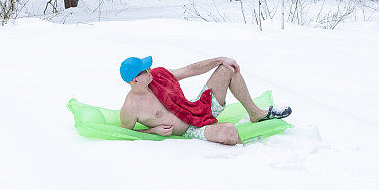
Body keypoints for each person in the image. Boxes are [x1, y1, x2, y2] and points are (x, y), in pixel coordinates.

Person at [118, 56, 292, 145]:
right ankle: (247, 161)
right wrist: (153, 131)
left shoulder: (158, 75)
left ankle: (255, 113)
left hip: (196, 110)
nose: (150, 70)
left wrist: (220, 59)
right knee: (229, 132)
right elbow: (125, 134)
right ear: (135, 80)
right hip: (189, 130)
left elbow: (189, 70)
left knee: (227, 68)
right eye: (145, 70)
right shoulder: (131, 107)